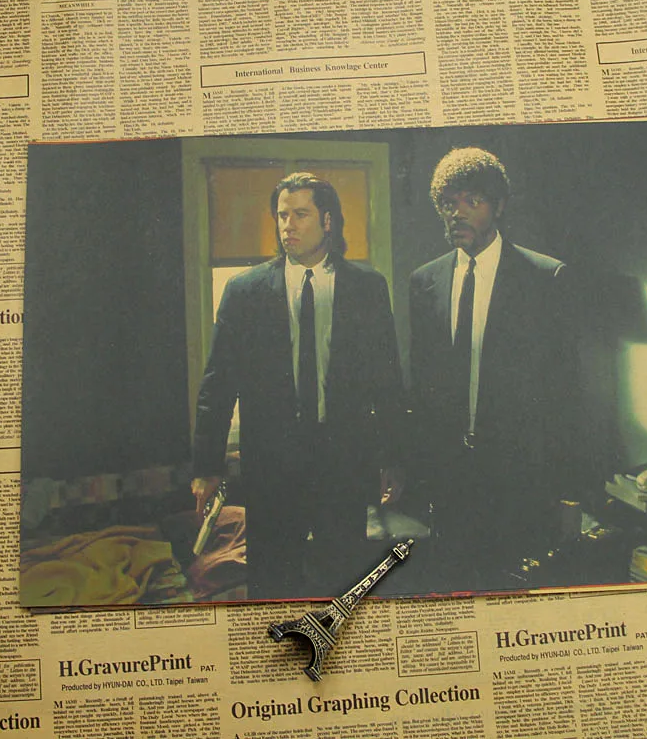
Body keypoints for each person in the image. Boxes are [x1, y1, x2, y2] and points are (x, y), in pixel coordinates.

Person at [191, 172, 403, 599]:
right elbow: (218, 385)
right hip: (272, 468)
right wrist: (206, 467)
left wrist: (394, 458)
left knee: (343, 584)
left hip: (342, 465)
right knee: (272, 584)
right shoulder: (245, 291)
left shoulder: (367, 288)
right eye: (282, 215)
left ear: (328, 221)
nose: (287, 225)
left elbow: (387, 383)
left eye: (300, 215)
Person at [408, 147, 579, 593]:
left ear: (498, 206)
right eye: (449, 203)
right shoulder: (424, 281)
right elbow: (422, 386)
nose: (458, 213)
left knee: (513, 593)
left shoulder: (544, 278)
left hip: (518, 477)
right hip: (448, 476)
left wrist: (569, 490)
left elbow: (566, 393)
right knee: (454, 588)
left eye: (473, 201)